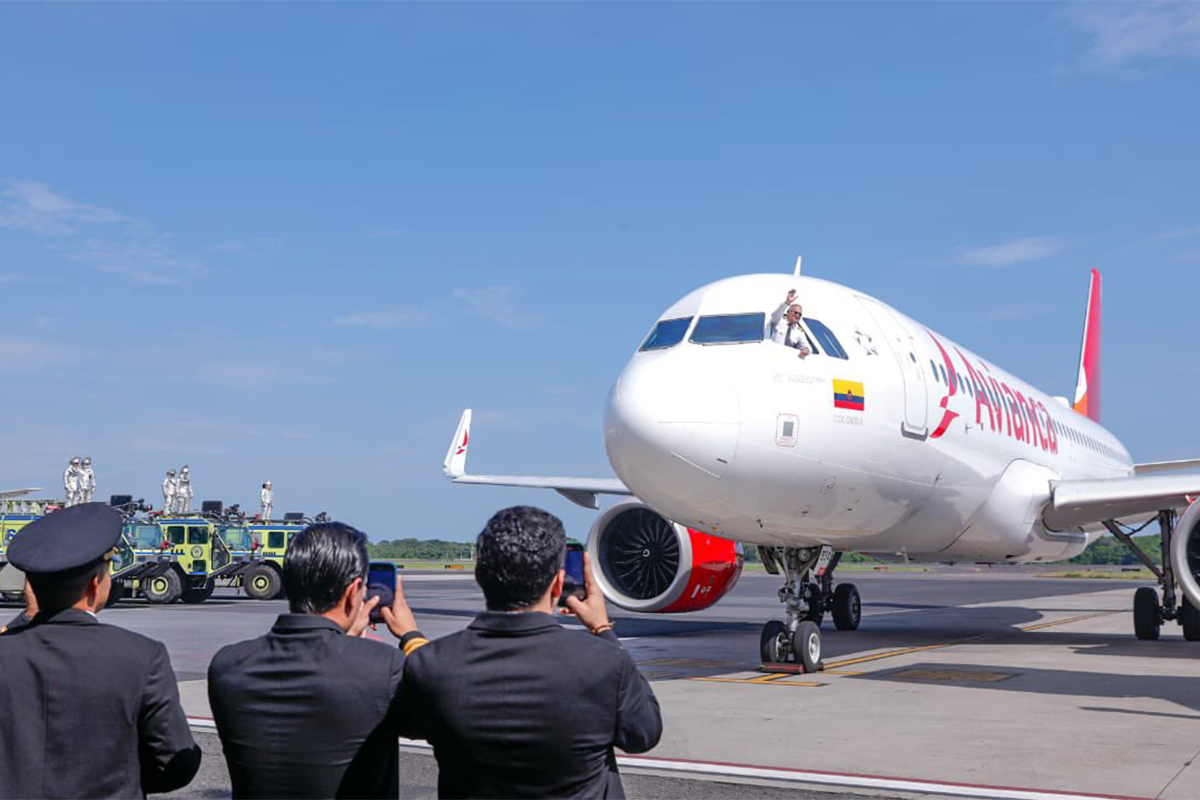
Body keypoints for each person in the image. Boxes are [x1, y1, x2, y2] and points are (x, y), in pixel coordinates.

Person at [401, 506, 663, 799]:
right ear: (557, 584)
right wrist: (602, 629)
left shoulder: (430, 665)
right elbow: (644, 734)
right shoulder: (604, 662)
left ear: (478, 576)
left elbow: (405, 723)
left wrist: (411, 638)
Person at [207, 521, 427, 800]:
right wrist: (411, 635)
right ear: (353, 592)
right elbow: (448, 709)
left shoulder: (227, 665)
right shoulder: (384, 669)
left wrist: (346, 641)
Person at [0, 503, 201, 798]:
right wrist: (123, 774)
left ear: (30, 585)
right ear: (96, 583)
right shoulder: (141, 657)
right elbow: (175, 762)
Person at [770, 289, 813, 357]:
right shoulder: (779, 321)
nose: (797, 315)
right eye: (795, 312)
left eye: (799, 314)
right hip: (773, 355)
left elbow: (806, 346)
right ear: (788, 312)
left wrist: (806, 349)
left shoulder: (799, 331)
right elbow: (776, 314)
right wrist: (787, 302)